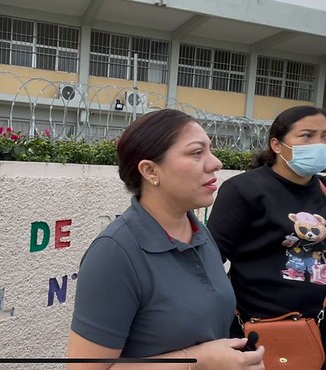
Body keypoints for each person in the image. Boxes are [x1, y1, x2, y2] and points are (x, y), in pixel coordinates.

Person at [66, 109, 266, 370]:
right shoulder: (116, 253)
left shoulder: (199, 233)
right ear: (150, 171)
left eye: (210, 150)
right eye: (197, 152)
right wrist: (198, 361)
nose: (216, 163)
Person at [205, 105, 326, 370]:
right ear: (277, 144)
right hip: (256, 328)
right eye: (307, 135)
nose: (320, 143)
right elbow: (211, 256)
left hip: (322, 328)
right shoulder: (244, 189)